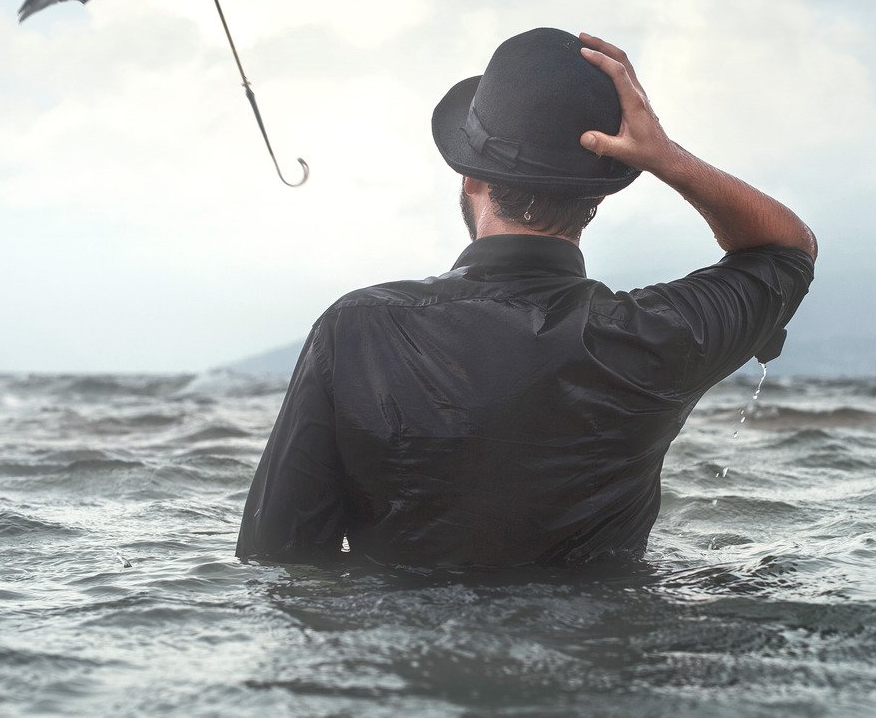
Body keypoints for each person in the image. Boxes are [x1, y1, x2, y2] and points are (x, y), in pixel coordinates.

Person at [235, 28, 816, 569]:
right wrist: (665, 156)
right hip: (600, 660)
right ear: (598, 197)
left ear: (470, 177)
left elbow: (277, 553)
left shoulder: (356, 328)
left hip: (405, 659)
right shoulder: (658, 334)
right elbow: (787, 247)